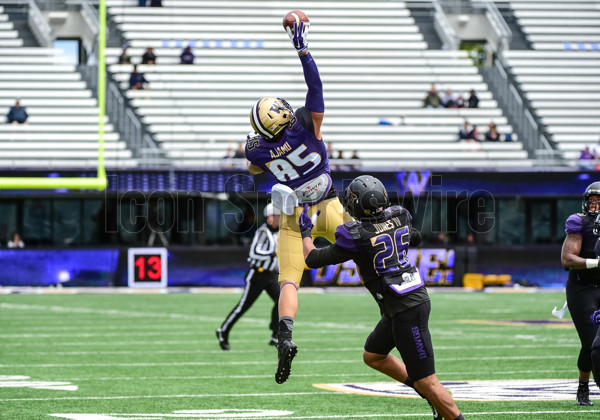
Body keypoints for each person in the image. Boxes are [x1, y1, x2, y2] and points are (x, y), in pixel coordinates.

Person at [299, 175, 465, 420]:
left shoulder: (356, 235)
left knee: (428, 381)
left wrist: (305, 231)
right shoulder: (400, 215)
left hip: (405, 308)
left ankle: (436, 399)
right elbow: (415, 237)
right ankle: (427, 394)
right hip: (401, 303)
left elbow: (312, 259)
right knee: (374, 356)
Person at [245, 20, 351, 385]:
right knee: (368, 246)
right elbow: (315, 86)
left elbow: (254, 169)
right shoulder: (307, 123)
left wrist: (268, 154)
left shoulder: (257, 148)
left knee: (289, 280)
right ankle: (387, 297)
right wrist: (302, 48)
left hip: (294, 214)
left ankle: (285, 336)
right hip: (329, 204)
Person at [216, 203, 281, 350]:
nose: (279, 219)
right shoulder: (263, 232)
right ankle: (223, 330)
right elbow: (254, 253)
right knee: (243, 306)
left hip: (271, 274)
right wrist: (272, 254)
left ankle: (275, 334)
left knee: (281, 300)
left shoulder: (278, 232)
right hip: (257, 274)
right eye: (277, 216)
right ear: (270, 217)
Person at [561, 182, 600, 405]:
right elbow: (567, 259)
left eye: (599, 201)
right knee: (592, 343)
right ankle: (583, 385)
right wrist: (597, 263)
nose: (594, 205)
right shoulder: (579, 221)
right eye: (592, 200)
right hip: (582, 288)